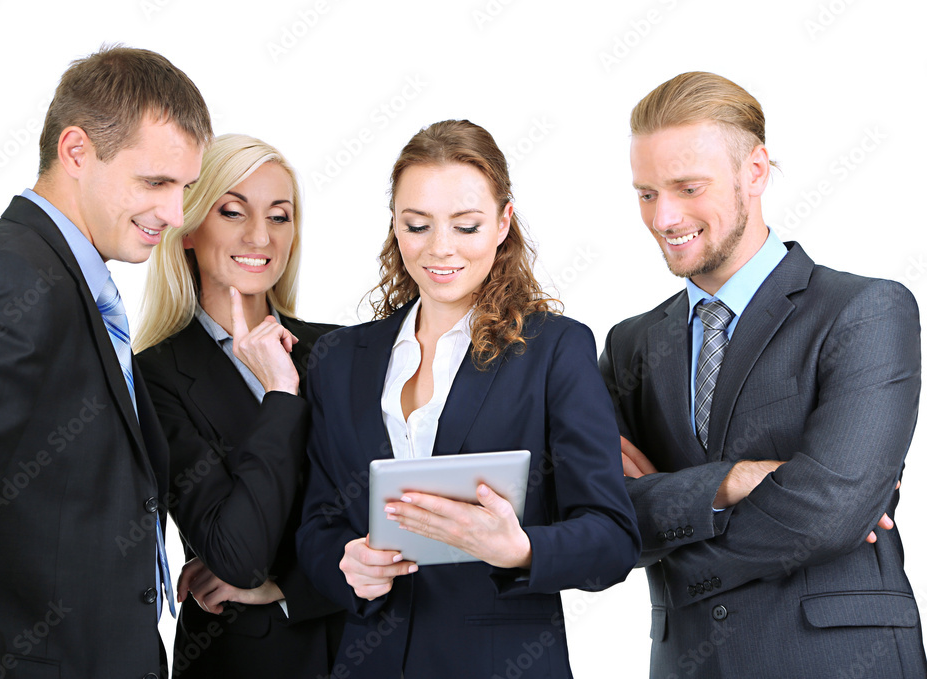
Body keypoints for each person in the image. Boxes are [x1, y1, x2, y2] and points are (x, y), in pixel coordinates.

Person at [598, 71, 927, 677]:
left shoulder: (865, 312)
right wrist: (738, 481)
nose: (664, 217)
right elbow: (598, 520)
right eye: (646, 193)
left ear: (755, 171)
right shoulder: (630, 346)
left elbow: (829, 513)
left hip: (837, 660)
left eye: (687, 187)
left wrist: (670, 518)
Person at [296, 119, 640, 678]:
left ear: (504, 223)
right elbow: (317, 525)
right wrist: (348, 566)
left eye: (466, 226)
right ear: (395, 225)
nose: (440, 249)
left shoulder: (555, 350)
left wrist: (521, 548)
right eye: (417, 225)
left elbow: (613, 538)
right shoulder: (339, 359)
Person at [0, 46, 211, 679]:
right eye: (155, 182)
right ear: (77, 151)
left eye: (184, 188)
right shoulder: (4, 274)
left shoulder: (68, 280)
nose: (174, 214)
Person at [134, 133, 343, 678]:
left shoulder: (343, 352)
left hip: (362, 645)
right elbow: (238, 555)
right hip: (243, 661)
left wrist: (286, 586)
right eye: (232, 212)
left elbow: (393, 519)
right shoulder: (152, 377)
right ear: (187, 229)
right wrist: (280, 393)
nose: (260, 235)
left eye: (280, 216)